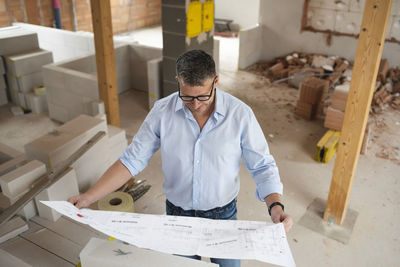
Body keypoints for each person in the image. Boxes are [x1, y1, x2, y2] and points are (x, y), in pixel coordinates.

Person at [69, 50, 293, 267]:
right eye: (187, 96)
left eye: (203, 96)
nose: (195, 104)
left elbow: (263, 166)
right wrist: (89, 197)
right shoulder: (162, 112)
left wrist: (275, 205)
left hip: (222, 216)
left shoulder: (240, 115)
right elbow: (131, 161)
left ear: (216, 82)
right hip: (178, 217)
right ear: (177, 80)